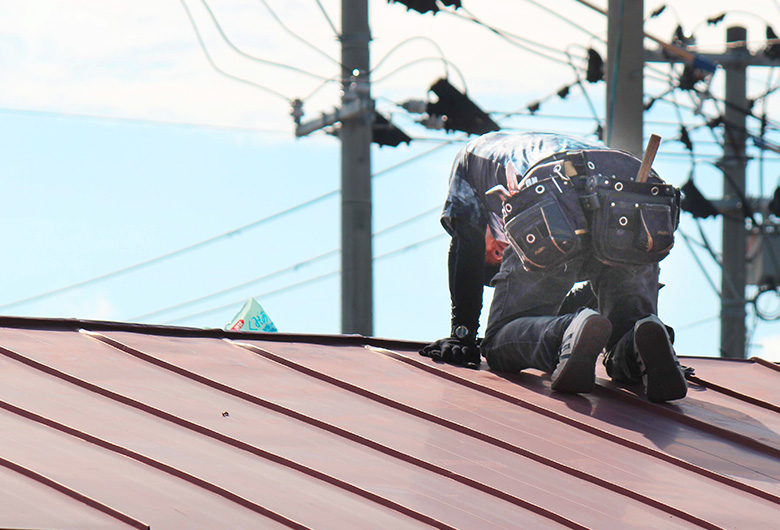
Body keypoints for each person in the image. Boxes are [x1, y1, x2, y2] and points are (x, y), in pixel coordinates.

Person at [420, 131, 688, 403]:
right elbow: (587, 296)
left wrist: (462, 334)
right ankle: (639, 349)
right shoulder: (529, 146)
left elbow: (465, 242)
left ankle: (563, 338)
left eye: (491, 257)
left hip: (553, 192)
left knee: (500, 340)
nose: (501, 253)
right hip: (640, 198)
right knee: (627, 329)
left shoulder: (470, 156)